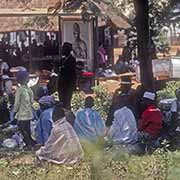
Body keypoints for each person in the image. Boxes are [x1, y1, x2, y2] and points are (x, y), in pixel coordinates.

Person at [14, 71, 35, 149]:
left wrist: (14, 111)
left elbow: (16, 103)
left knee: (22, 129)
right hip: (29, 113)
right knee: (28, 129)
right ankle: (32, 142)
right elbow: (32, 101)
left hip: (22, 114)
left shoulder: (19, 90)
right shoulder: (29, 90)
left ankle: (28, 144)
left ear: (18, 80)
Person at [58, 42, 76, 109]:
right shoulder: (63, 59)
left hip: (68, 84)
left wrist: (62, 68)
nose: (62, 50)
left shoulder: (72, 59)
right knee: (61, 100)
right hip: (61, 84)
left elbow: (71, 72)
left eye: (63, 49)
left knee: (67, 101)